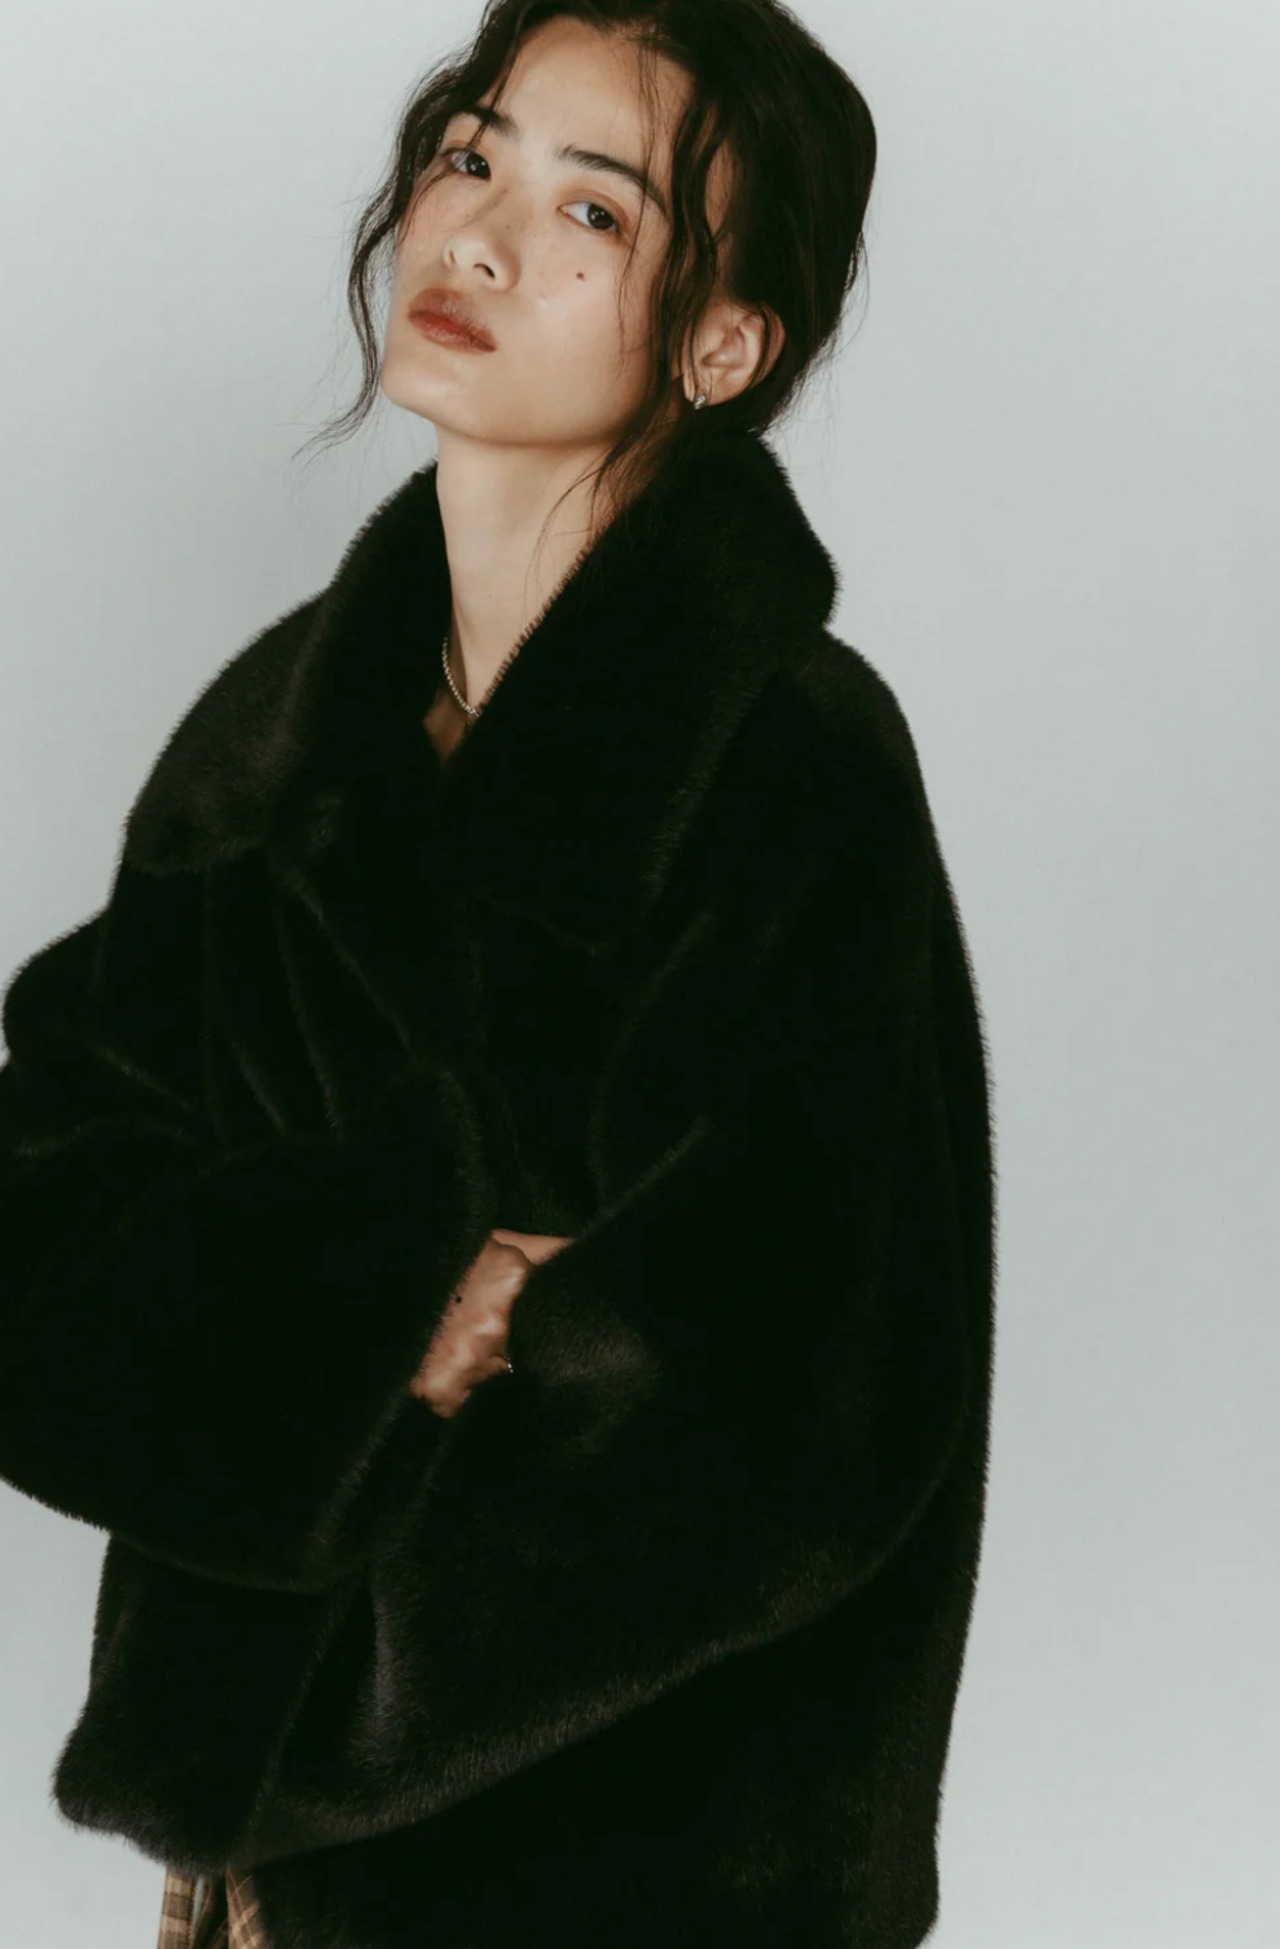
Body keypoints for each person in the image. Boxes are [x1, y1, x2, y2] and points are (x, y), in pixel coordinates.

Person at [0, 5, 996, 1947]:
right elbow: (41, 1209)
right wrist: (403, 1303)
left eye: (593, 210)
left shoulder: (787, 765)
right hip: (268, 1890)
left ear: (723, 345)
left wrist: (300, 1574)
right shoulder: (274, 753)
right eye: (471, 153)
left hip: (663, 1882)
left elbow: (798, 1408)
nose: (476, 233)